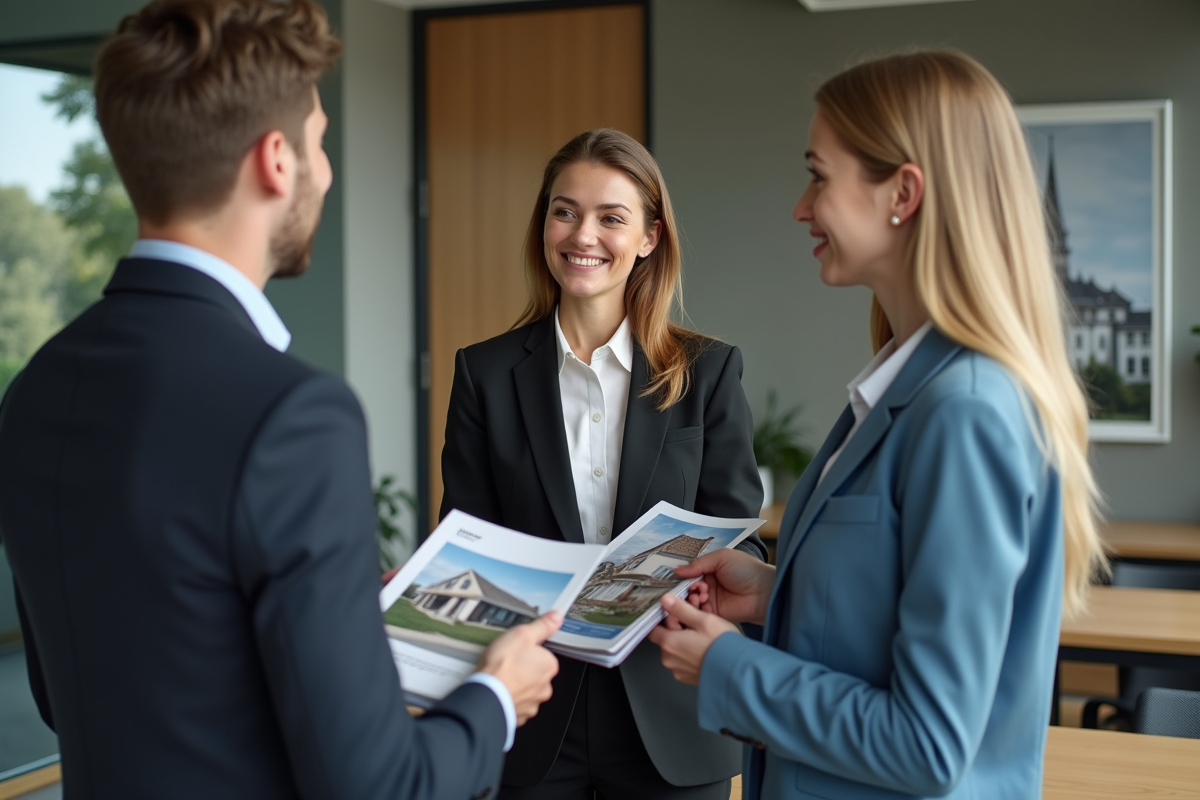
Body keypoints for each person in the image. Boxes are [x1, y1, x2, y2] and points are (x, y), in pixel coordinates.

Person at [0, 1, 562, 798]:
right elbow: (377, 787)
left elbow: (72, 695)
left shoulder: (36, 390)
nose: (325, 169)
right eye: (320, 143)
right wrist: (495, 699)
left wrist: (330, 624)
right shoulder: (294, 416)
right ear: (276, 161)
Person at [648, 51, 1108, 800]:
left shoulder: (965, 413)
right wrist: (774, 593)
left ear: (903, 192)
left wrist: (728, 667)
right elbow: (890, 604)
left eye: (818, 176)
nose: (801, 207)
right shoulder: (906, 386)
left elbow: (928, 745)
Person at [439, 128, 768, 800]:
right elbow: (467, 541)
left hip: (673, 716)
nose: (582, 234)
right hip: (532, 716)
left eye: (610, 217)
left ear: (649, 236)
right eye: (565, 211)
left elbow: (740, 537)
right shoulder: (485, 372)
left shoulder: (707, 373)